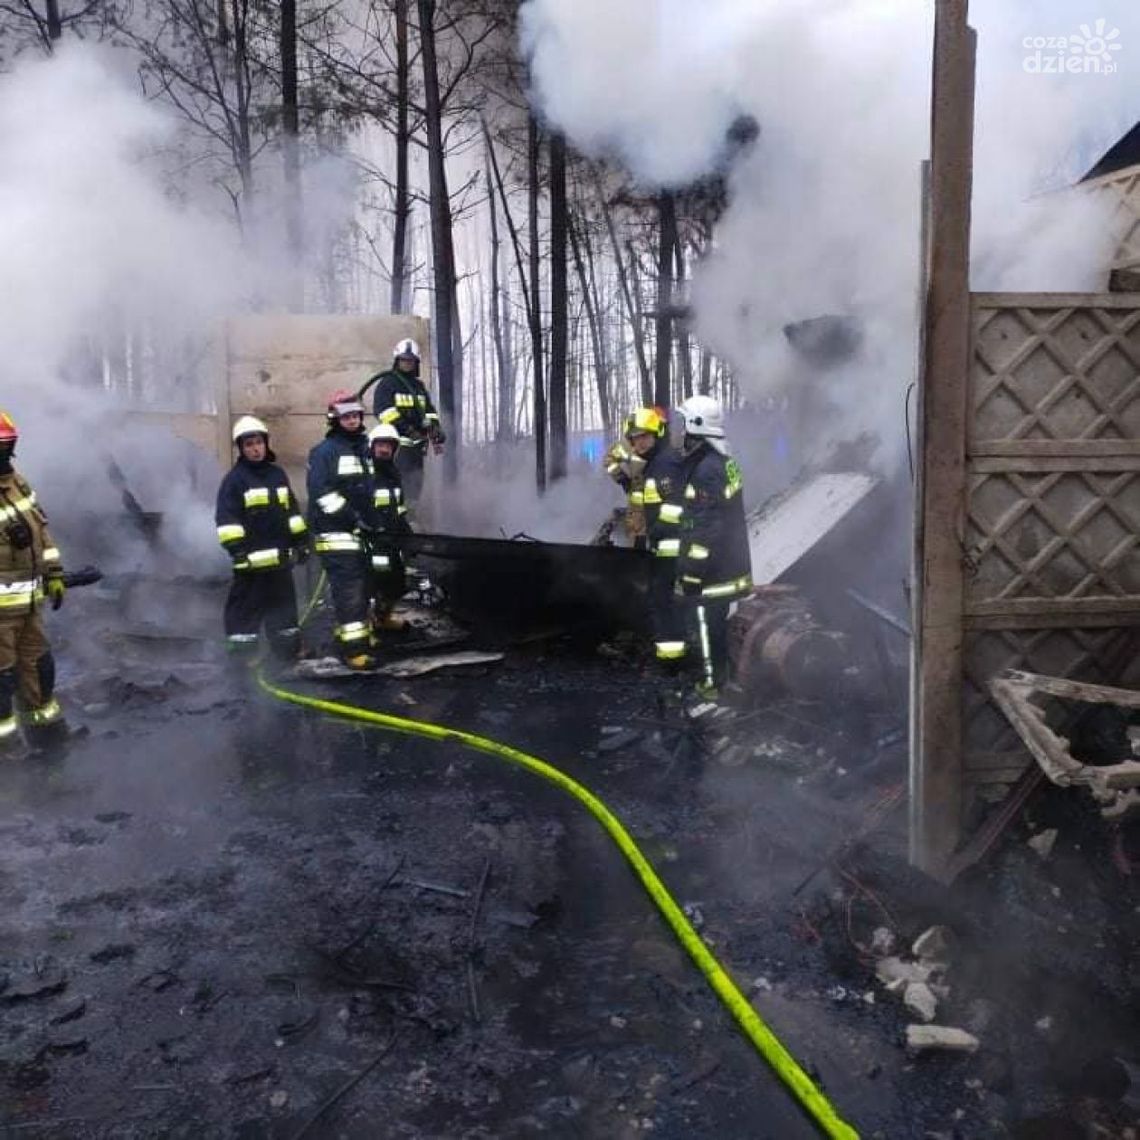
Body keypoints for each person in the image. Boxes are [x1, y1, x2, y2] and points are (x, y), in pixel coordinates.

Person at [0, 410, 68, 757]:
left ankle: (48, 741)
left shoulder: (17, 482)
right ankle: (7, 758)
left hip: (29, 606)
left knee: (39, 670)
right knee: (1, 683)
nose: (6, 456)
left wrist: (54, 574)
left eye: (8, 446)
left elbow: (42, 533)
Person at [675, 395, 753, 699]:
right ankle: (728, 678)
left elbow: (705, 530)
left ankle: (713, 687)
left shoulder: (707, 471)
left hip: (714, 571)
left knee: (707, 627)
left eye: (684, 425)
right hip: (731, 563)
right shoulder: (724, 462)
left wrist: (691, 575)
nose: (680, 432)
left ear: (697, 427)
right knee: (717, 624)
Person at [215, 416, 308, 665]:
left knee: (284, 610)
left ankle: (287, 652)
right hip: (252, 565)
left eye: (258, 443)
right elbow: (227, 520)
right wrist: (237, 551)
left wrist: (301, 541)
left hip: (280, 561)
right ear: (241, 449)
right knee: (245, 611)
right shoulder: (235, 480)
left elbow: (292, 512)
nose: (255, 449)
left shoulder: (277, 475)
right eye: (248, 445)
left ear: (266, 443)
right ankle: (243, 657)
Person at [306, 390, 376, 669]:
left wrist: (371, 520)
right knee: (351, 590)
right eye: (346, 416)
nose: (352, 420)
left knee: (363, 586)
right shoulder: (325, 452)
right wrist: (351, 517)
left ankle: (349, 635)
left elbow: (366, 490)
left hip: (358, 533)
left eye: (356, 415)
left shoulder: (361, 448)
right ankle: (354, 651)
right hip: (336, 534)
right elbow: (321, 494)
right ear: (335, 419)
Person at [619, 407, 687, 670]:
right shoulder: (653, 463)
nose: (638, 442)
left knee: (663, 601)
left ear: (656, 435)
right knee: (663, 601)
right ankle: (671, 657)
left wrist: (655, 530)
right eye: (634, 438)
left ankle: (671, 664)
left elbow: (676, 506)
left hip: (671, 546)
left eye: (644, 437)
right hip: (663, 545)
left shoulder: (665, 464)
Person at [366, 338, 445, 512]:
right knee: (396, 486)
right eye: (403, 360)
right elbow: (384, 411)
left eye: (410, 360)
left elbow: (429, 411)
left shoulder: (418, 387)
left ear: (415, 362)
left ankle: (411, 519)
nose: (407, 363)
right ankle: (395, 519)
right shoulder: (388, 383)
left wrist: (436, 428)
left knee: (414, 489)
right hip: (395, 450)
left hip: (416, 450)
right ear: (397, 360)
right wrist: (407, 429)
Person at [366, 422, 413, 634]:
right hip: (374, 541)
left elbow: (399, 508)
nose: (384, 449)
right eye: (380, 445)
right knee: (373, 582)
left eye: (388, 446)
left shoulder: (394, 475)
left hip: (393, 539)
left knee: (397, 582)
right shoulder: (366, 475)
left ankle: (383, 617)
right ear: (372, 447)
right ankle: (367, 620)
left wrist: (408, 535)